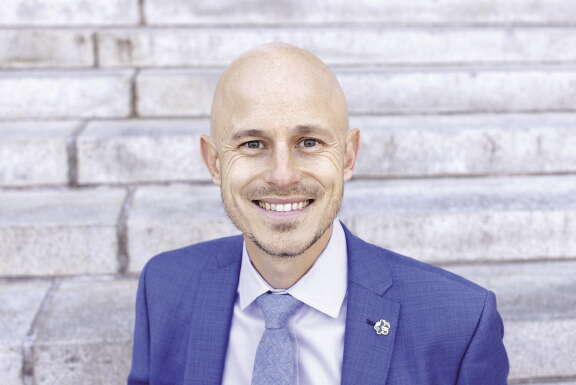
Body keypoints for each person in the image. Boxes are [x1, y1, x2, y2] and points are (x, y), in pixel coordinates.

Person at [127, 42, 509, 385]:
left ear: (347, 155)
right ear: (214, 162)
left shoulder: (458, 324)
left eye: (308, 142)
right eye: (253, 143)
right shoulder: (164, 288)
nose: (282, 175)